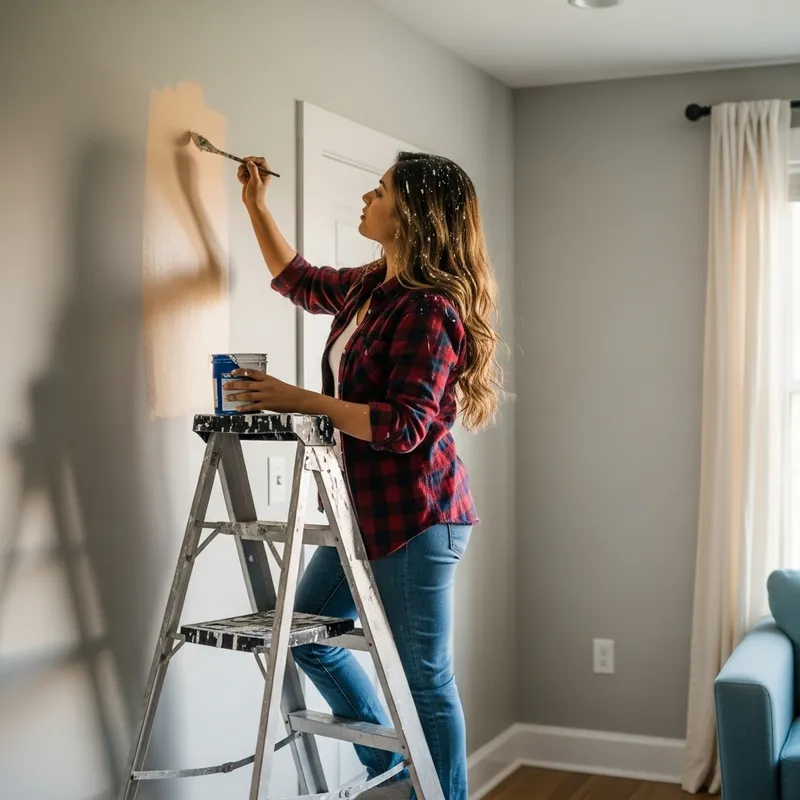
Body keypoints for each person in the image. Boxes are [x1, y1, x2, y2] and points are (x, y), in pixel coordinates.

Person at [223, 149, 506, 799]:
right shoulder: (372, 286)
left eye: (378, 191)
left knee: (425, 680)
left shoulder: (430, 308)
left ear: (410, 214)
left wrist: (301, 400)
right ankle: (399, 774)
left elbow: (405, 427)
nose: (365, 199)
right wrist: (255, 205)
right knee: (306, 638)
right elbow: (298, 280)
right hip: (369, 518)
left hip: (417, 521)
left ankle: (439, 793)